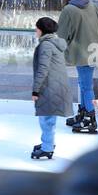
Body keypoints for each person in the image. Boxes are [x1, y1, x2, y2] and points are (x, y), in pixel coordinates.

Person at [57, 0, 98, 134]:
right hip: (95, 50)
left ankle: (90, 120)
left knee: (86, 86)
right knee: (83, 83)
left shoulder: (68, 9)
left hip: (81, 52)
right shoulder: (93, 6)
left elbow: (61, 36)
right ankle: (83, 113)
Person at [31, 17, 72, 160]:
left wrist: (35, 90)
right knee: (49, 117)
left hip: (49, 86)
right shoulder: (54, 42)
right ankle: (47, 143)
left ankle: (47, 148)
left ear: (42, 30)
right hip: (56, 84)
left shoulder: (46, 45)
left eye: (36, 28)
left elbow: (43, 69)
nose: (35, 31)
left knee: (46, 118)